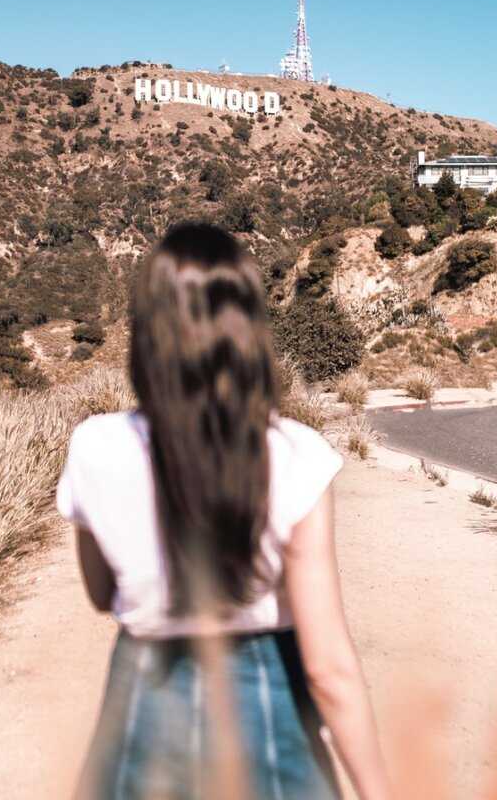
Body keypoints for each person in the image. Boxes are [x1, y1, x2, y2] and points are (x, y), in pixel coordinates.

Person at [56, 222, 392, 800]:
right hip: (268, 709)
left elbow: (99, 594)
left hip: (142, 702)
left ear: (148, 333)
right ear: (248, 334)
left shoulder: (95, 445)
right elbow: (328, 669)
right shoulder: (295, 455)